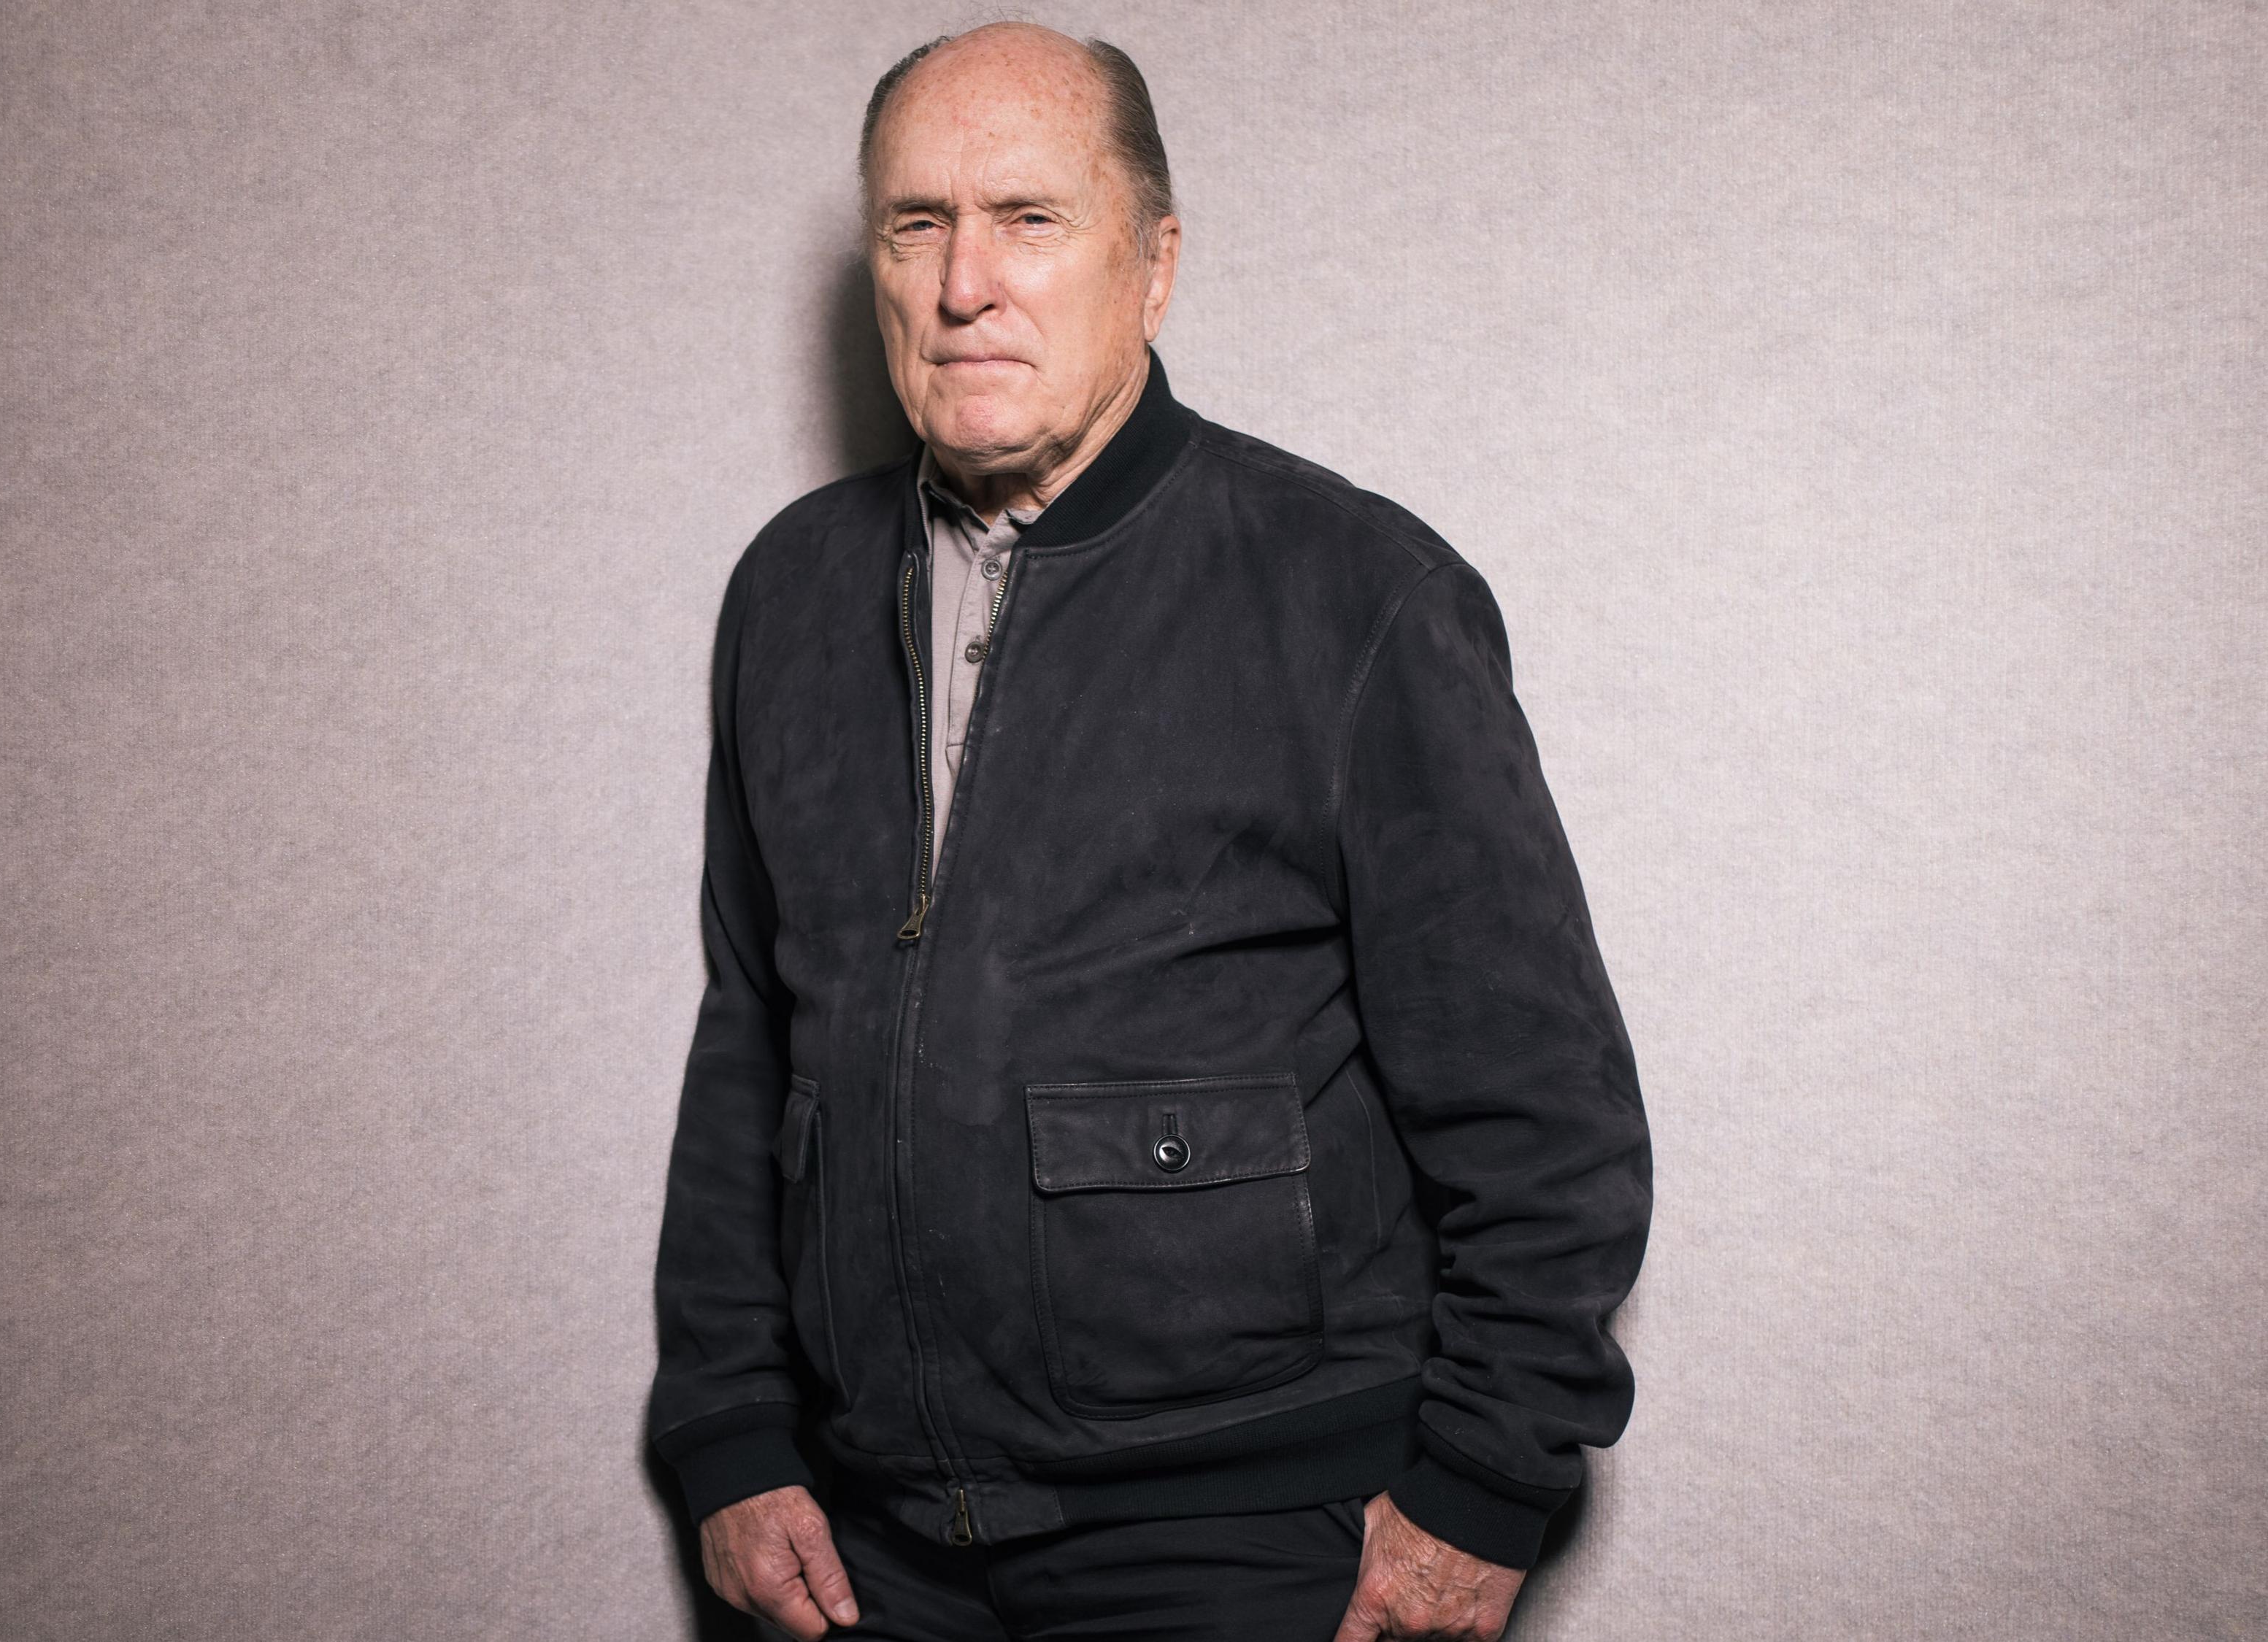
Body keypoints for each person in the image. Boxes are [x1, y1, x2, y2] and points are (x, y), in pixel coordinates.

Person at [647, 23, 1650, 1641]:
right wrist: (728, 1429)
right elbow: (751, 1046)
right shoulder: (790, 594)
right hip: (868, 1545)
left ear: (1155, 264)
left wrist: (1483, 1482)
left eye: (1028, 220)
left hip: (1245, 1541)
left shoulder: (1357, 595)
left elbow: (1545, 1109)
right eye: (916, 225)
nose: (964, 283)